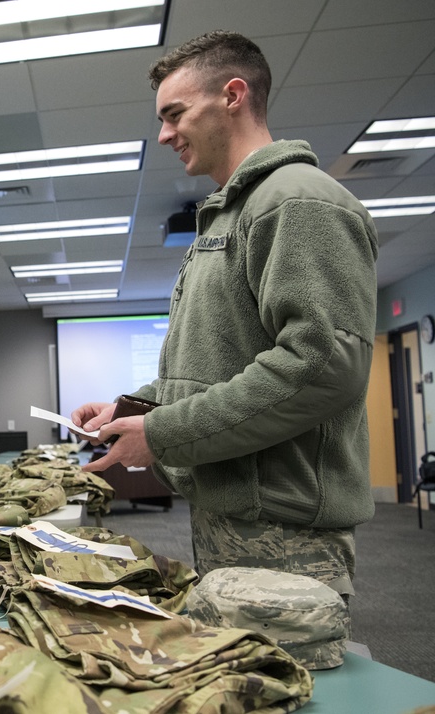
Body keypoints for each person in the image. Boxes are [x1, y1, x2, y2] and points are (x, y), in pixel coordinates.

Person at [72, 31, 378, 597]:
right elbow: (222, 362)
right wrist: (134, 407)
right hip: (232, 507)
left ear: (233, 95)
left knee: (282, 681)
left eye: (175, 114)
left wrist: (162, 432)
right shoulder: (228, 217)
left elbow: (321, 366)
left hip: (282, 526)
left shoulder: (296, 201)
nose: (163, 134)